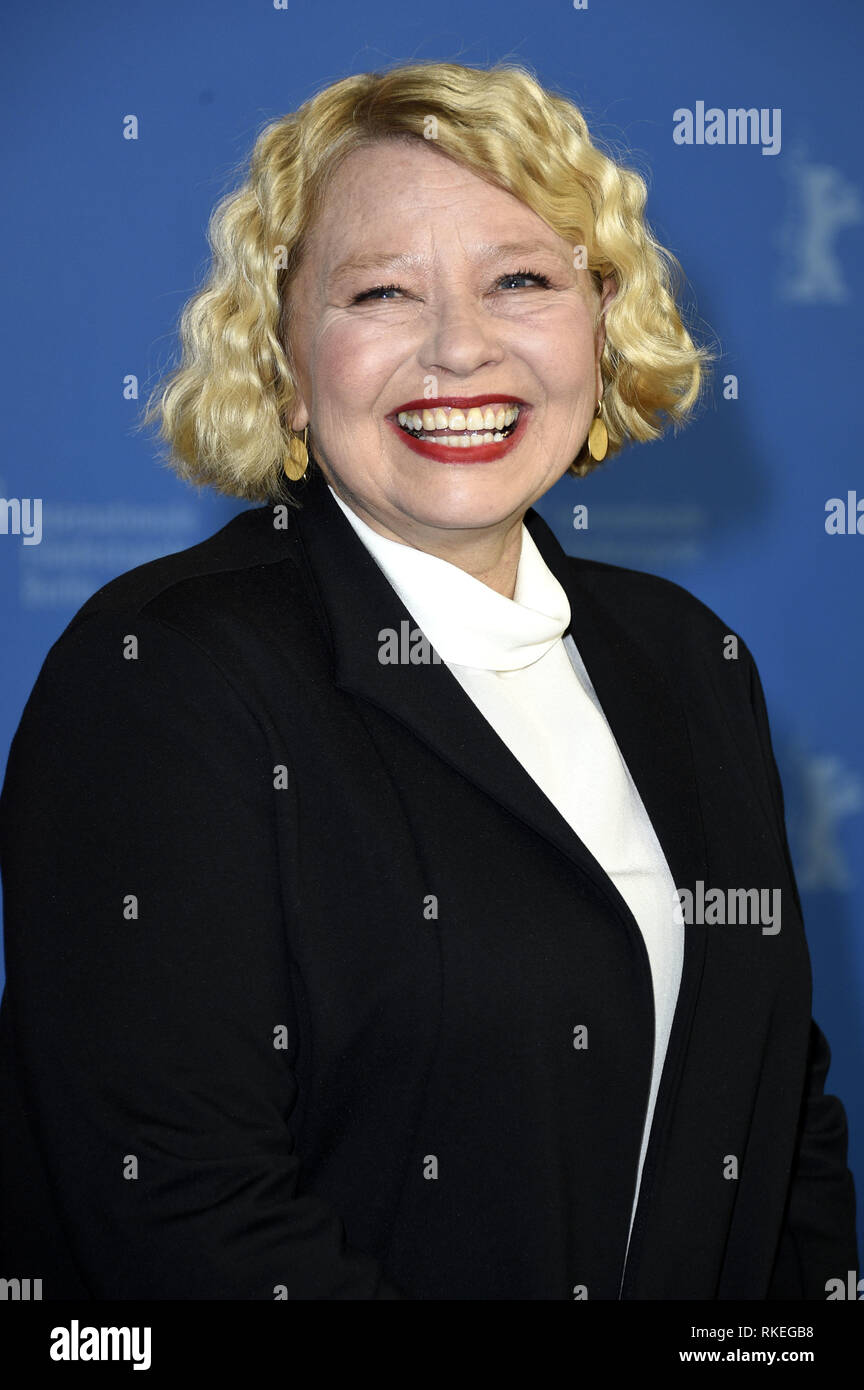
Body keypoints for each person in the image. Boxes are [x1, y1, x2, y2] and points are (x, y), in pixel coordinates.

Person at [0, 60, 857, 1301]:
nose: (461, 349)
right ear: (286, 363)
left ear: (603, 324)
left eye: (521, 279)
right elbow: (188, 1221)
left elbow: (781, 1131)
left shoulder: (688, 657)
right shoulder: (165, 680)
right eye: (382, 292)